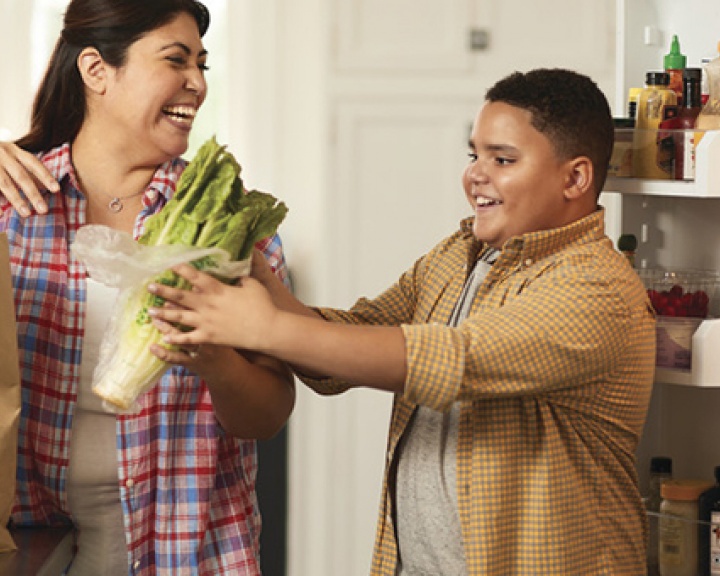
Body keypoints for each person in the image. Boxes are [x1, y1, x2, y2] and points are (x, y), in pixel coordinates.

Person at [146, 68, 657, 575]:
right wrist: (262, 286)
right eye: (473, 154)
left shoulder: (599, 290)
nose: (476, 174)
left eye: (502, 159)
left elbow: (452, 360)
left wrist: (265, 328)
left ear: (575, 178)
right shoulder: (460, 256)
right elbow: (349, 345)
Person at [0, 1, 295, 574]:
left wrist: (214, 361)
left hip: (189, 549)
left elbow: (269, 413)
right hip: (29, 544)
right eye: (176, 60)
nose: (198, 83)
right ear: (96, 70)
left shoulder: (230, 231)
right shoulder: (13, 205)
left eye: (203, 64)